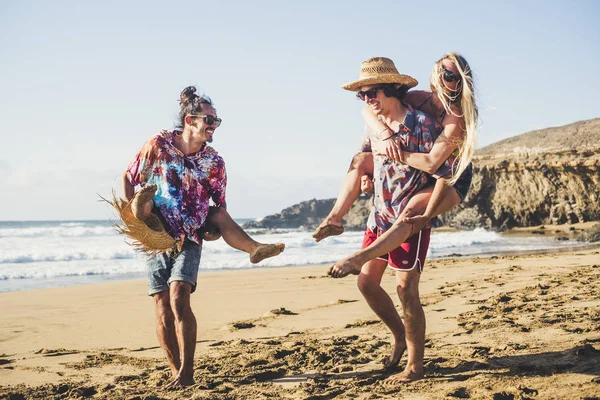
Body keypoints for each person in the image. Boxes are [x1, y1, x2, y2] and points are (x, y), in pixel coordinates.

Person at [121, 86, 284, 388]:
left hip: (189, 235)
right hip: (155, 234)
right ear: (189, 120)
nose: (213, 125)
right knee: (161, 307)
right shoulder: (158, 144)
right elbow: (129, 177)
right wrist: (136, 223)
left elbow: (219, 205)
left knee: (179, 296)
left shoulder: (214, 163)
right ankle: (175, 372)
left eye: (216, 121)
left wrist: (211, 229)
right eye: (209, 119)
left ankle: (187, 371)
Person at [327, 56, 468, 384]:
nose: (366, 100)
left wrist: (430, 211)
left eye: (371, 92)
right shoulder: (383, 113)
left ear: (391, 88)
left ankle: (415, 367)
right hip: (381, 210)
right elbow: (364, 151)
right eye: (361, 95)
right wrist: (365, 175)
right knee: (366, 283)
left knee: (406, 288)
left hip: (419, 198)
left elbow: (442, 170)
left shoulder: (430, 122)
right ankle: (398, 336)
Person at [313, 52, 477, 244]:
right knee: (360, 161)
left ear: (460, 84)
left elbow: (433, 164)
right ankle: (334, 219)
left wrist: (391, 151)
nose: (440, 76)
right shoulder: (417, 98)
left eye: (448, 75)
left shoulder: (456, 118)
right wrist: (385, 135)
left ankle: (364, 258)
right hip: (419, 164)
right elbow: (369, 109)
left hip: (450, 178)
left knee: (408, 215)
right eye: (437, 70)